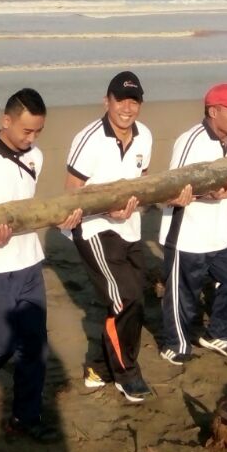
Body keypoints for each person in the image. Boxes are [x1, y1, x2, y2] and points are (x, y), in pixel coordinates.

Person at [0, 89, 82, 439]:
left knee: (34, 348)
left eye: (38, 131)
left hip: (29, 263)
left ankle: (26, 419)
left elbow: (29, 208)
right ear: (6, 121)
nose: (32, 138)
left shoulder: (36, 156)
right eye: (26, 130)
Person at [65, 71, 153, 403]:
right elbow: (71, 195)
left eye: (134, 101)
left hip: (130, 230)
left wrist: (131, 208)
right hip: (94, 229)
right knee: (124, 300)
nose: (127, 108)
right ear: (107, 101)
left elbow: (141, 184)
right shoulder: (88, 139)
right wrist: (107, 212)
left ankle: (99, 366)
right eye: (121, 100)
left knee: (136, 301)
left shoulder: (145, 136)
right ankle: (127, 374)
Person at [157, 83, 227, 366]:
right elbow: (172, 188)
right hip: (187, 233)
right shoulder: (191, 140)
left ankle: (217, 333)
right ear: (213, 111)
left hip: (222, 232)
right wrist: (206, 193)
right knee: (184, 294)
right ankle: (175, 344)